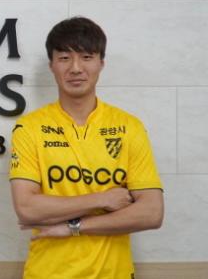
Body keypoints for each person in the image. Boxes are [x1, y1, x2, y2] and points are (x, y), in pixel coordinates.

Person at [9, 17, 163, 278]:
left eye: (87, 57)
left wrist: (73, 227)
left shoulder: (129, 127)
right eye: (64, 58)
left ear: (101, 63)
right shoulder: (29, 128)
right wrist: (103, 199)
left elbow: (152, 213)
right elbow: (27, 208)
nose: (76, 68)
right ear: (51, 65)